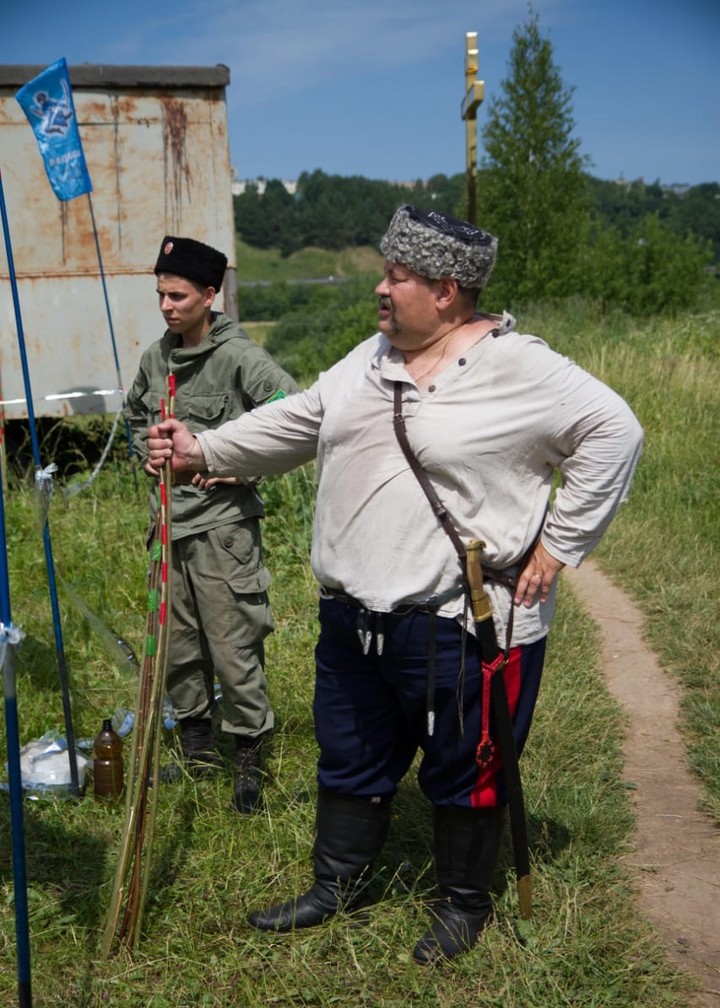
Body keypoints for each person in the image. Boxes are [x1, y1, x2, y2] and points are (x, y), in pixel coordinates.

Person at [146, 206, 643, 960]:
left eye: (396, 277)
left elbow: (616, 431)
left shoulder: (521, 368)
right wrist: (204, 449)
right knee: (350, 753)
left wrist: (559, 545)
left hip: (460, 621)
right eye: (384, 272)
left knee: (465, 766)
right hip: (354, 616)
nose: (380, 288)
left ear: (446, 291)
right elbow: (302, 420)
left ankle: (462, 905)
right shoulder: (370, 357)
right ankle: (336, 885)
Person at [125, 236, 298, 814]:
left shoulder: (239, 358)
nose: (166, 306)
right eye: (160, 294)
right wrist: (145, 453)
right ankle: (197, 747)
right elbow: (134, 416)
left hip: (223, 532)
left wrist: (236, 466)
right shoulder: (156, 358)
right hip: (169, 527)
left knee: (233, 646)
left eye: (177, 296)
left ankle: (248, 757)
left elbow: (292, 414)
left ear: (209, 294)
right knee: (177, 648)